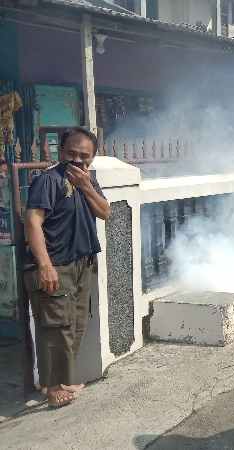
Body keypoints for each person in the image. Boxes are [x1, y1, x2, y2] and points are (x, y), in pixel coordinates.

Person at [23, 127, 111, 408]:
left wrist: (85, 186)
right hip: (56, 266)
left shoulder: (89, 180)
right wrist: (45, 265)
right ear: (61, 152)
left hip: (82, 264)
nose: (77, 160)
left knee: (75, 325)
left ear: (92, 158)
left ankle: (63, 379)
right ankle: (52, 388)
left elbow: (105, 212)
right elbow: (33, 222)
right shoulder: (48, 181)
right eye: (71, 153)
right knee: (54, 329)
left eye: (84, 156)